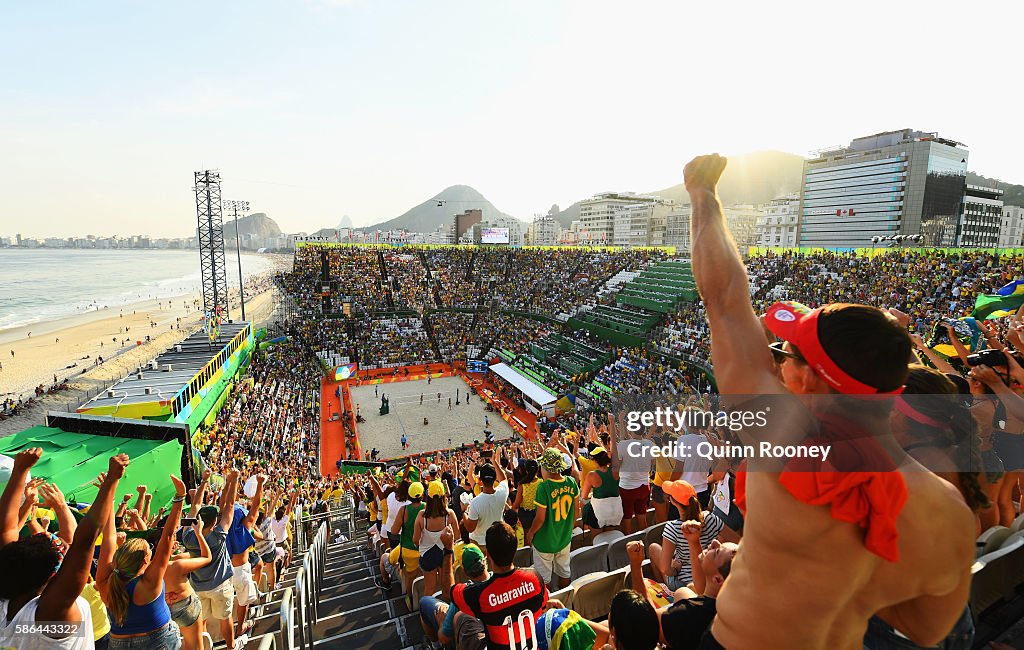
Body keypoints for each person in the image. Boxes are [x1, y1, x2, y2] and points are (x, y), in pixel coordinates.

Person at [684, 153, 975, 649]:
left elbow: (725, 297)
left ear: (815, 380)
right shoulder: (948, 512)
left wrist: (702, 195)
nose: (780, 363)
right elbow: (927, 629)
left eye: (789, 354)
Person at [0, 450, 125, 650]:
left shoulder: (8, 600)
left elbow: (6, 528)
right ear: (51, 576)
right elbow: (84, 542)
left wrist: (20, 471)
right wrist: (111, 482)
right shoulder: (52, 615)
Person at [97, 474, 189, 650]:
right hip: (157, 641)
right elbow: (168, 536)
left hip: (118, 643)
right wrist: (180, 497)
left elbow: (109, 539)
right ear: (145, 561)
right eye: (150, 550)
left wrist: (107, 496)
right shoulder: (149, 583)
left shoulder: (105, 583)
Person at [452, 522, 547, 650]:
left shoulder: (481, 595)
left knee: (461, 618)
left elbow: (449, 592)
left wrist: (447, 551)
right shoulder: (535, 578)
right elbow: (544, 608)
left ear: (488, 556)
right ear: (514, 551)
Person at [181, 469, 240, 650]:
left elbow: (195, 505)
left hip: (198, 587)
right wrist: (234, 480)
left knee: (201, 622)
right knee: (225, 619)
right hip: (220, 586)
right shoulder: (218, 536)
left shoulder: (188, 537)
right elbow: (229, 505)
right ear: (214, 522)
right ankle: (231, 648)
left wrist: (204, 481)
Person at [648, 480, 732, 592]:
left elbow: (665, 569)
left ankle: (666, 591)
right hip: (709, 578)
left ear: (673, 501)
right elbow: (737, 540)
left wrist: (675, 569)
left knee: (653, 548)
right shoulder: (710, 517)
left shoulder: (672, 527)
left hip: (683, 585)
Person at [525, 449, 580, 590]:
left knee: (544, 577)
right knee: (564, 571)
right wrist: (569, 529)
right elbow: (576, 511)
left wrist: (530, 533)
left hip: (545, 541)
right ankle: (564, 598)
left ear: (546, 468)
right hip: (564, 538)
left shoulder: (543, 487)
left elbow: (540, 518)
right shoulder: (572, 482)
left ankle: (549, 603)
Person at [163, 519, 212, 650]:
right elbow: (207, 557)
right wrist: (199, 533)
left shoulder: (147, 568)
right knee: (195, 646)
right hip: (185, 608)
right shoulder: (177, 565)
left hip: (164, 610)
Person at [413, 481, 459, 600]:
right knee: (447, 588)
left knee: (429, 589)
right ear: (444, 497)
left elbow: (415, 540)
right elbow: (457, 536)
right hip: (446, 554)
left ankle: (426, 616)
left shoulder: (421, 516)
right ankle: (448, 614)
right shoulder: (450, 514)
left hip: (427, 555)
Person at [462, 455, 509, 554]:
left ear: (480, 480)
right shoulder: (502, 493)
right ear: (495, 478)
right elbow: (504, 479)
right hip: (497, 540)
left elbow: (470, 528)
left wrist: (464, 512)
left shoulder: (475, 502)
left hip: (480, 544)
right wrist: (494, 461)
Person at [388, 481, 425, 603]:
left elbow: (394, 531)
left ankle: (410, 598)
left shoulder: (404, 510)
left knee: (410, 577)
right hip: (425, 549)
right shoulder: (427, 507)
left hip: (409, 550)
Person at [580, 446, 622, 535]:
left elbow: (584, 496)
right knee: (610, 537)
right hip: (615, 511)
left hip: (598, 513)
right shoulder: (616, 470)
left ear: (595, 460)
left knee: (596, 539)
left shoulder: (591, 475)